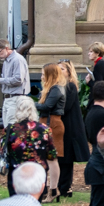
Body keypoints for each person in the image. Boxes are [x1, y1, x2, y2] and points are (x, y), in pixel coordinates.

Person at [0, 96, 58, 199]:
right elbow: (51, 155)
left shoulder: (10, 130)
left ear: (17, 110)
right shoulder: (44, 129)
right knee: (35, 205)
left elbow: (2, 152)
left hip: (17, 175)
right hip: (38, 175)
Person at [57, 61, 91, 198]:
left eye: (62, 69)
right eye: (57, 69)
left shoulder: (70, 86)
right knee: (62, 158)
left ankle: (65, 187)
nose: (60, 71)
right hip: (64, 126)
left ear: (69, 72)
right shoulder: (60, 86)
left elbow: (66, 107)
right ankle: (62, 186)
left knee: (66, 158)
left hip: (70, 127)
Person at [34, 62, 66, 196]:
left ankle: (53, 189)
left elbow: (47, 106)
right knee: (47, 158)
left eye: (43, 74)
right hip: (47, 122)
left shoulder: (56, 89)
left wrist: (31, 103)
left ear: (50, 75)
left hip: (52, 123)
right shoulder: (53, 89)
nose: (41, 77)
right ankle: (48, 188)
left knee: (52, 158)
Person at [0, 38, 30, 129]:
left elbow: (18, 80)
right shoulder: (6, 61)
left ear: (6, 48)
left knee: (13, 128)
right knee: (7, 128)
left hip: (16, 98)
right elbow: (7, 80)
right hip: (8, 98)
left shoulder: (17, 59)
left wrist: (0, 80)